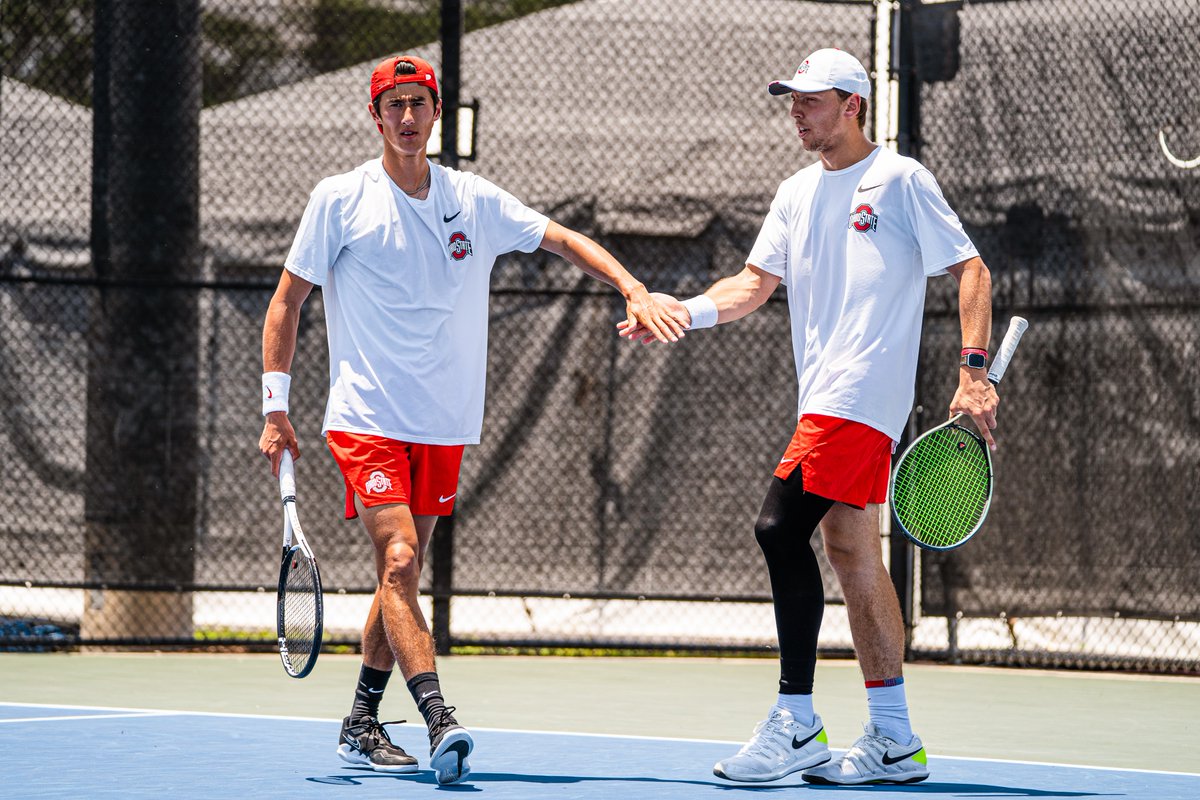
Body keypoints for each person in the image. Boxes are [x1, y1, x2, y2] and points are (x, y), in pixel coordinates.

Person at [258, 54, 683, 785]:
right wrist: (276, 407)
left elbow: (562, 238)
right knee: (397, 560)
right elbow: (287, 302)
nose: (407, 117)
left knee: (403, 574)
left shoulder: (472, 199)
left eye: (419, 103)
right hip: (366, 416)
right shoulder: (339, 199)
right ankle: (438, 718)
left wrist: (631, 285)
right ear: (375, 116)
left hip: (444, 422)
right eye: (394, 105)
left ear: (436, 112)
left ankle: (360, 721)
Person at [620, 48, 998, 785]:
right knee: (853, 554)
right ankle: (893, 739)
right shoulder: (796, 192)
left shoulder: (900, 180)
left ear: (853, 104)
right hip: (822, 394)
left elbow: (971, 268)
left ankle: (796, 721)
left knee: (776, 527)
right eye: (790, 99)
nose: (797, 110)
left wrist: (973, 373)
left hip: (859, 398)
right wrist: (682, 314)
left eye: (812, 100)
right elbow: (753, 285)